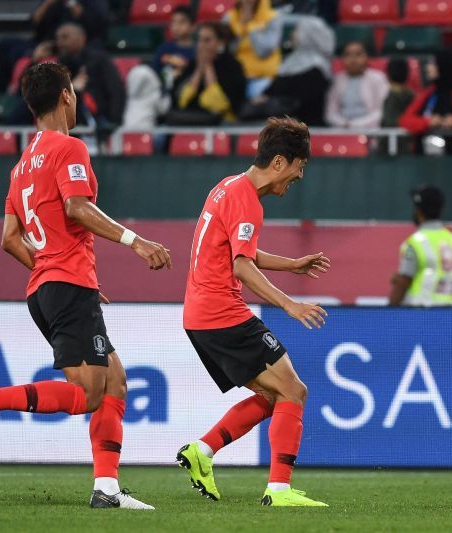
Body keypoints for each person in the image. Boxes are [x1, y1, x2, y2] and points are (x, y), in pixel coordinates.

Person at [0, 62, 172, 509]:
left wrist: (53, 268)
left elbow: (8, 239)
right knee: (90, 393)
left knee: (115, 381)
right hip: (65, 285)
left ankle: (106, 489)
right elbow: (76, 207)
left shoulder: (20, 167)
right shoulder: (67, 147)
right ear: (67, 97)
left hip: (49, 286)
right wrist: (135, 241)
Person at [176, 116, 331, 507]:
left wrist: (291, 264)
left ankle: (203, 451)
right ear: (278, 161)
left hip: (199, 314)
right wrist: (289, 304)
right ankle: (278, 489)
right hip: (222, 311)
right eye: (297, 169)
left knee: (273, 394)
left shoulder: (228, 187)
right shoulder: (247, 200)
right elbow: (241, 266)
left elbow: (243, 252)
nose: (297, 179)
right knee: (294, 390)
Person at [0, 0, 109, 93]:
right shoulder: (52, 4)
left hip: (75, 44)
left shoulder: (91, 3)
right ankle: (2, 93)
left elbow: (94, 25)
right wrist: (48, 2)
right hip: (46, 42)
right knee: (5, 45)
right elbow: (34, 23)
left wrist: (71, 2)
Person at [241, 16, 333, 126]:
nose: (292, 34)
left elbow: (306, 103)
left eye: (296, 30)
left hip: (304, 127)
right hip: (277, 122)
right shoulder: (290, 62)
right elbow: (269, 92)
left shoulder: (317, 69)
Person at [388, 185, 452, 306]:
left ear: (418, 211)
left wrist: (388, 312)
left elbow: (404, 282)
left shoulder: (415, 242)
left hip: (421, 314)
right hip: (449, 313)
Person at [168, 23, 247, 125]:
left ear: (220, 43)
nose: (201, 45)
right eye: (199, 40)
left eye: (207, 40)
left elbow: (220, 105)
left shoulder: (232, 65)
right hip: (190, 120)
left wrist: (208, 66)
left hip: (222, 123)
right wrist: (199, 69)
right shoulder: (192, 65)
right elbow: (182, 102)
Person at [57, 22, 126, 128]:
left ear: (82, 38)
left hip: (100, 121)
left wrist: (113, 121)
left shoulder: (99, 59)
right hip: (70, 124)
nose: (60, 42)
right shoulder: (59, 64)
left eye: (65, 37)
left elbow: (115, 89)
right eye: (58, 38)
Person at [324, 41, 389, 129]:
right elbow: (330, 113)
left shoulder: (378, 78)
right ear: (342, 58)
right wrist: (343, 124)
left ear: (367, 57)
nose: (353, 59)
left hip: (370, 131)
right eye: (348, 55)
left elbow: (382, 111)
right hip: (341, 130)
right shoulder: (337, 80)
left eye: (358, 54)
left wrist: (357, 125)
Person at [226, 0, 283, 99]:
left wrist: (251, 26)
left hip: (262, 76)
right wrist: (242, 28)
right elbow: (228, 51)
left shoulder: (272, 18)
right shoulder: (229, 18)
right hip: (235, 75)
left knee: (259, 97)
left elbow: (263, 52)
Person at [152, 6, 197, 93]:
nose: (176, 27)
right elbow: (154, 74)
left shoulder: (197, 51)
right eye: (173, 22)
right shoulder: (163, 49)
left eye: (182, 22)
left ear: (193, 26)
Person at [380, 58, 415, 155]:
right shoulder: (412, 94)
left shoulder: (392, 96)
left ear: (387, 75)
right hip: (406, 144)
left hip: (391, 146)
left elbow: (388, 122)